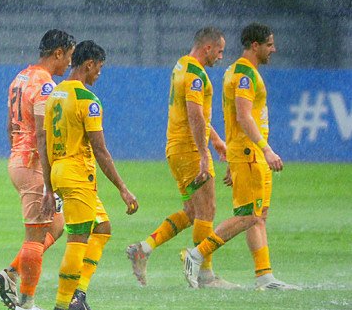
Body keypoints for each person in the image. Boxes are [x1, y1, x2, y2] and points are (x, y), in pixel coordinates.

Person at [183, 23, 300, 290]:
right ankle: (197, 254)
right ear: (255, 46)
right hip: (250, 153)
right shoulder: (245, 74)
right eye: (269, 44)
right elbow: (244, 116)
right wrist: (266, 149)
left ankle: (264, 276)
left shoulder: (234, 71)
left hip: (245, 154)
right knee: (247, 215)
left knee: (258, 215)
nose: (274, 49)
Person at [126, 27, 238, 289]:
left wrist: (217, 141)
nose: (221, 57)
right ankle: (205, 274)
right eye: (219, 51)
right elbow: (195, 116)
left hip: (175, 149)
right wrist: (203, 154)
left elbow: (196, 116)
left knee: (191, 212)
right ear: (207, 48)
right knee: (207, 210)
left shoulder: (181, 66)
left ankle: (144, 248)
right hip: (189, 151)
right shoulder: (196, 75)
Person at [41, 41, 139, 310]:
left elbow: (45, 144)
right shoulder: (88, 101)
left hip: (60, 170)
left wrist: (49, 186)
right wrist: (122, 187)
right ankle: (62, 307)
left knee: (103, 228)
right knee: (78, 239)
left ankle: (78, 293)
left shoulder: (54, 95)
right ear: (89, 65)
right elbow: (100, 150)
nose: (99, 74)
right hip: (77, 175)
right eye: (99, 68)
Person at [0, 29, 74, 310]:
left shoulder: (21, 78)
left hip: (19, 159)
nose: (68, 66)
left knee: (57, 226)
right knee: (35, 236)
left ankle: (12, 273)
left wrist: (17, 154)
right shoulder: (46, 86)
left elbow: (8, 126)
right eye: (69, 58)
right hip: (35, 165)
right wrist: (48, 179)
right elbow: (43, 134)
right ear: (58, 53)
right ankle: (26, 304)